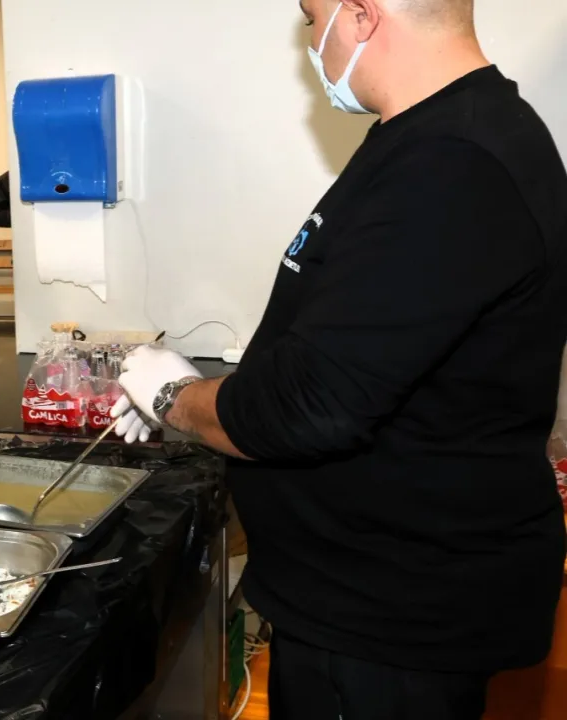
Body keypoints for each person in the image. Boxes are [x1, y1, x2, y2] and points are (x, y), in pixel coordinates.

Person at [110, 2, 567, 718]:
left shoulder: (453, 162)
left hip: (390, 622)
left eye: (311, 16)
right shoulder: (433, 137)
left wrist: (177, 399)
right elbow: (352, 344)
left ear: (359, 16)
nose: (309, 39)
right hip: (368, 596)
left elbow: (310, 403)